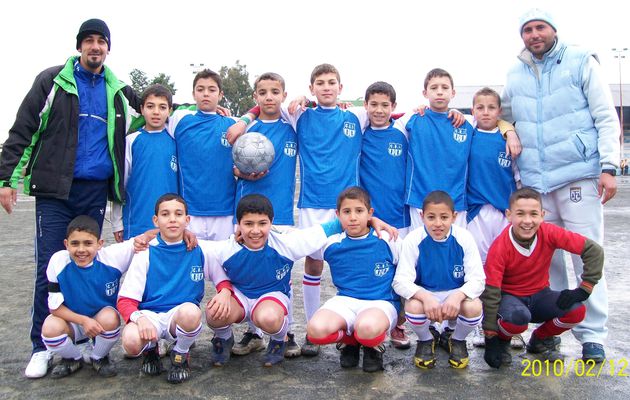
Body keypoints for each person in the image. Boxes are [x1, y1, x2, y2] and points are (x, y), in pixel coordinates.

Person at [0, 18, 142, 378]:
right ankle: (41, 346)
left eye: (101, 41)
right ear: (79, 46)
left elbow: (159, 107)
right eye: (89, 41)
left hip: (94, 191)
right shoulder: (52, 81)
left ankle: (94, 346)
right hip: (53, 191)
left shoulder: (120, 90)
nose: (95, 47)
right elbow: (24, 128)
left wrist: (197, 109)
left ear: (109, 48)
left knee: (90, 266)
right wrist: (6, 178)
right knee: (50, 266)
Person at [501, 8, 619, 362]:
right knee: (545, 262)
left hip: (577, 174)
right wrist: (508, 131)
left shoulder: (581, 61)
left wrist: (609, 165)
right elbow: (504, 113)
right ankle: (551, 331)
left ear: (553, 29)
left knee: (585, 253)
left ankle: (592, 335)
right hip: (536, 182)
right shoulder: (514, 71)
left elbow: (604, 114)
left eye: (540, 27)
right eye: (527, 30)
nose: (534, 35)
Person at [228, 64, 365, 356]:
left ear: (341, 88)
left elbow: (388, 112)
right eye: (320, 83)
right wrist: (245, 117)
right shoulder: (298, 116)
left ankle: (355, 330)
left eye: (332, 82)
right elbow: (266, 106)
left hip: (346, 207)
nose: (326, 87)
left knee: (351, 263)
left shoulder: (357, 116)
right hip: (310, 205)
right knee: (309, 265)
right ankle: (306, 330)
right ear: (312, 88)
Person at [204, 194, 346, 367]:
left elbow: (330, 227)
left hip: (271, 297)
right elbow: (193, 246)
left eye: (262, 223)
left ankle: (280, 339)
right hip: (239, 296)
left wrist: (371, 221)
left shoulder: (286, 243)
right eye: (248, 224)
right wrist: (224, 290)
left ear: (271, 222)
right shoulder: (226, 248)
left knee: (269, 318)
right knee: (213, 312)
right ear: (238, 224)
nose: (255, 230)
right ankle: (224, 338)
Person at [117, 193, 234, 384]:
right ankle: (151, 351)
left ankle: (180, 355)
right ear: (156, 220)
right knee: (130, 341)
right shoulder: (145, 252)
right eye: (165, 214)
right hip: (150, 316)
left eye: (178, 214)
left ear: (187, 220)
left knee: (191, 311)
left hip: (178, 316)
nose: (172, 219)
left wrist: (225, 292)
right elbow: (126, 300)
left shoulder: (199, 249)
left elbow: (222, 279)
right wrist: (140, 318)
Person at [481, 188, 604, 368]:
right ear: (509, 215)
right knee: (517, 318)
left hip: (540, 295)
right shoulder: (500, 246)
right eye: (520, 214)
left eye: (533, 214)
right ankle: (503, 340)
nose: (527, 221)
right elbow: (491, 291)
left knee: (577, 311)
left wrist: (585, 288)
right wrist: (490, 337)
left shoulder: (549, 232)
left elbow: (594, 251)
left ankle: (540, 339)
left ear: (542, 215)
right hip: (511, 300)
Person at [230, 72, 301, 358]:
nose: (269, 96)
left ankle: (290, 331)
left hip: (281, 212)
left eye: (275, 91)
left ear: (283, 95)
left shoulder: (294, 126)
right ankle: (253, 332)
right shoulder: (245, 130)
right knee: (249, 270)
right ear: (255, 97)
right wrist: (241, 171)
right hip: (248, 210)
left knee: (284, 273)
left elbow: (309, 106)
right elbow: (231, 167)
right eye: (263, 92)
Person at [305, 187, 402, 372]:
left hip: (380, 302)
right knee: (315, 331)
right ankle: (349, 342)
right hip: (345, 301)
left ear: (370, 213)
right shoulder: (330, 242)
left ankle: (374, 346)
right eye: (347, 212)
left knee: (366, 328)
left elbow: (406, 274)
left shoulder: (388, 238)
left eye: (359, 211)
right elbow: (295, 247)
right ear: (337, 215)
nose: (353, 217)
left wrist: (403, 312)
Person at [393, 190, 484, 369]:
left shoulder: (464, 238)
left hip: (455, 294)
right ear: (422, 216)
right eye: (431, 217)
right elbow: (400, 281)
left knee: (474, 307)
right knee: (412, 306)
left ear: (454, 216)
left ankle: (455, 338)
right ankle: (426, 339)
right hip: (426, 294)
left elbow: (478, 279)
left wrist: (458, 296)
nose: (438, 223)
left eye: (444, 217)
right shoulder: (413, 239)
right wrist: (425, 297)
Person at [42, 215, 137, 378]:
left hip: (100, 322)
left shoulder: (112, 257)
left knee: (110, 317)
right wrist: (83, 321)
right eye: (74, 243)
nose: (81, 250)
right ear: (66, 244)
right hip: (73, 321)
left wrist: (185, 233)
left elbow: (144, 238)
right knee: (50, 328)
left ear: (100, 244)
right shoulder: (58, 261)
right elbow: (54, 307)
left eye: (88, 243)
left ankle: (99, 357)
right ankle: (72, 358)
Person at [465, 88, 523, 349]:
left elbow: (518, 177)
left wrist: (509, 130)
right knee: (479, 269)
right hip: (476, 212)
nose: (485, 112)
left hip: (503, 213)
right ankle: (482, 324)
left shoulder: (508, 139)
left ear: (500, 112)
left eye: (491, 107)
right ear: (473, 111)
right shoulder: (467, 134)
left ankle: (508, 323)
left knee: (507, 269)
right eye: (480, 107)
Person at [358, 81, 411, 350]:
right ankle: (371, 326)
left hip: (400, 218)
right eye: (374, 104)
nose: (379, 110)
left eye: (385, 105)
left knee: (400, 273)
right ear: (365, 105)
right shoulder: (360, 131)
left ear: (394, 107)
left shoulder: (403, 130)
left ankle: (399, 324)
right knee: (372, 272)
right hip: (370, 220)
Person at [167, 69, 237, 241]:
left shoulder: (233, 124)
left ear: (220, 95)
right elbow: (154, 110)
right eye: (200, 89)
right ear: (193, 94)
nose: (206, 94)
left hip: (225, 211)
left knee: (223, 265)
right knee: (194, 266)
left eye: (212, 90)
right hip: (190, 212)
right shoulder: (180, 119)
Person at [111, 84, 178, 241]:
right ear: (142, 109)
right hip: (136, 223)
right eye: (150, 106)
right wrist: (116, 222)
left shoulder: (176, 140)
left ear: (169, 111)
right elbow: (120, 184)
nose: (156, 112)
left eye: (162, 107)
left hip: (171, 225)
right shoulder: (131, 141)